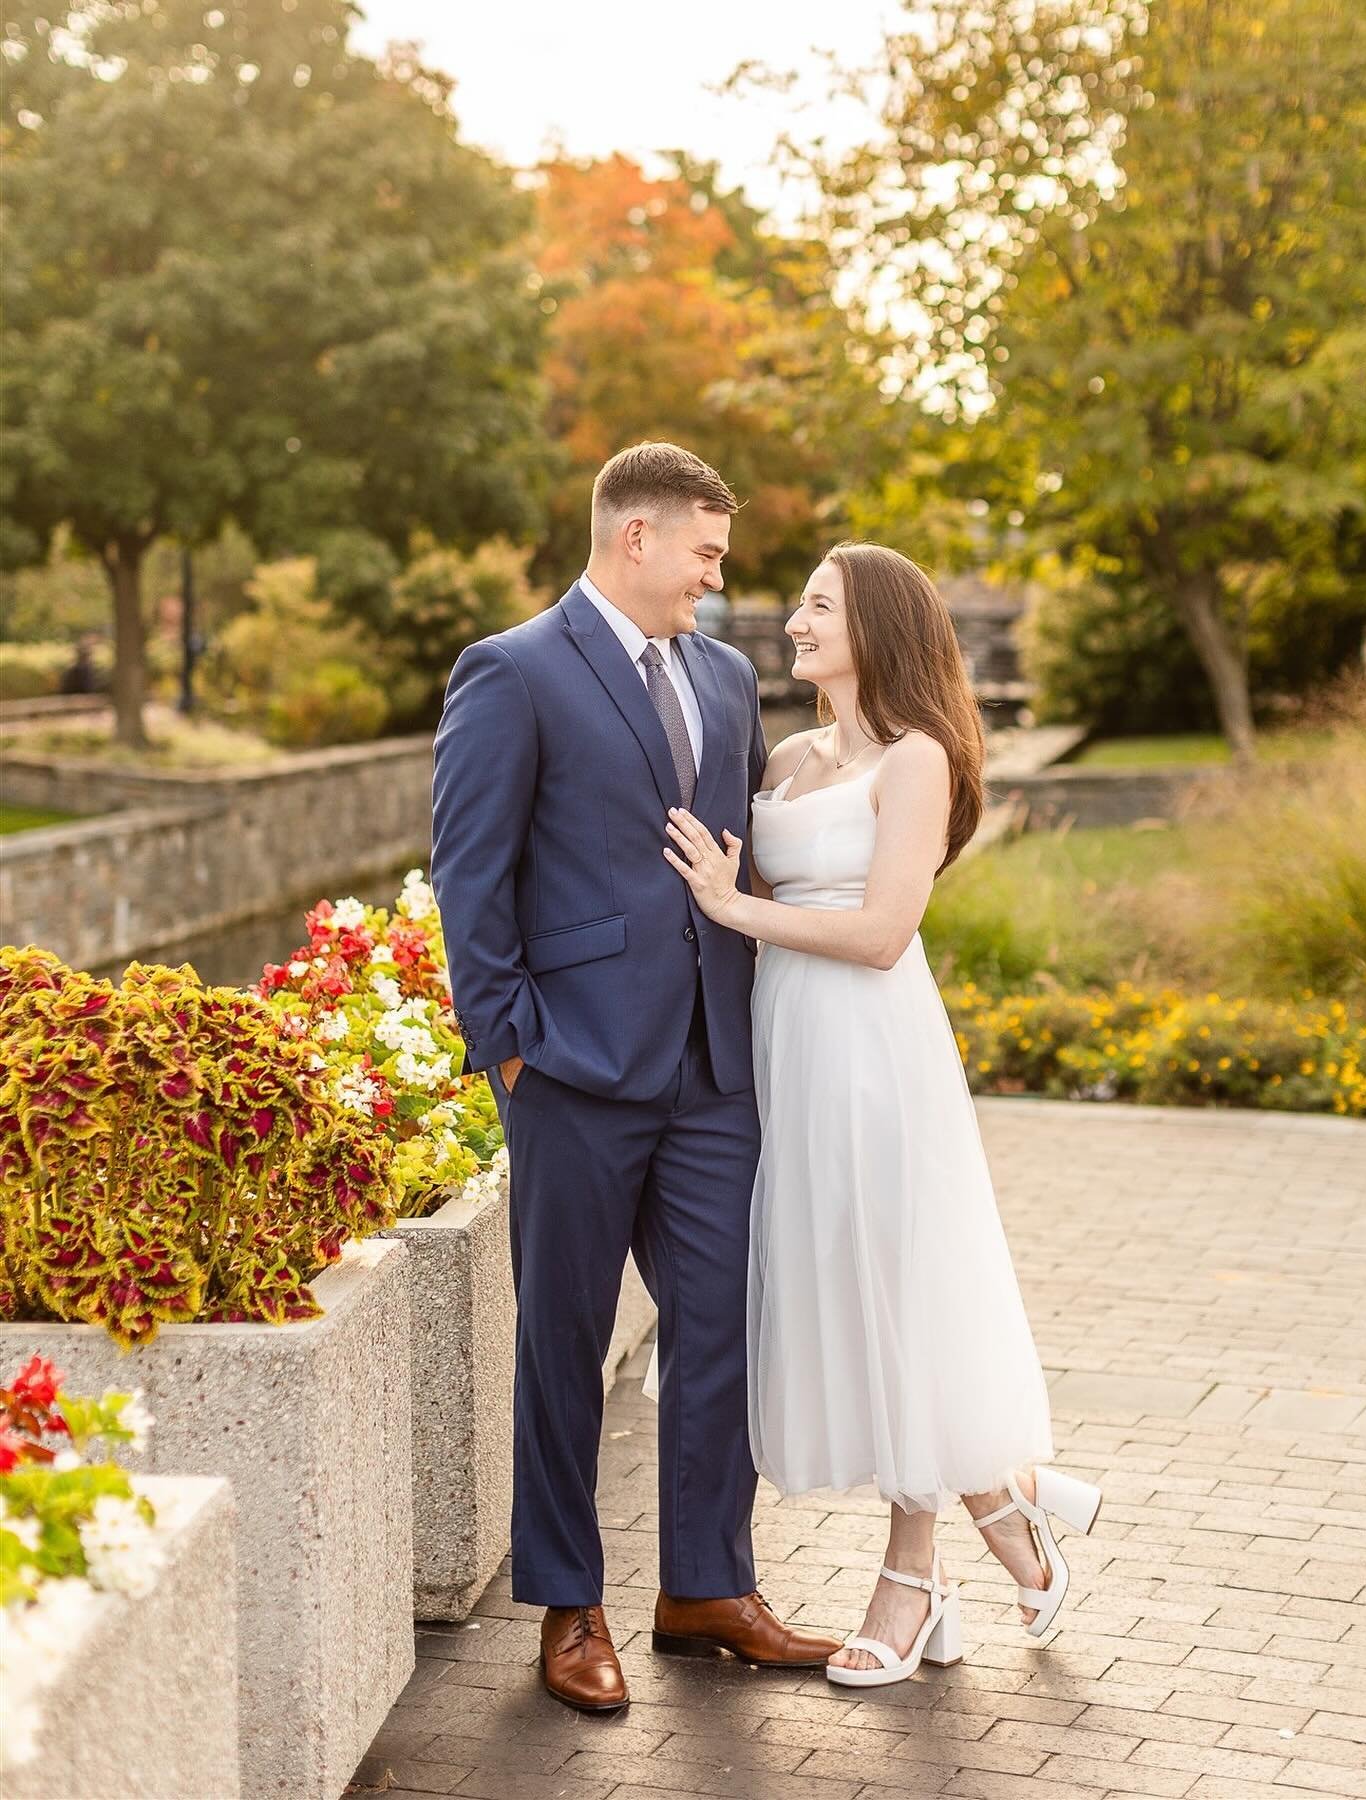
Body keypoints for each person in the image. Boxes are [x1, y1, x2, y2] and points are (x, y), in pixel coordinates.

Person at [430, 442, 843, 1714]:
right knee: (563, 1342)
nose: (717, 583)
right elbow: (469, 872)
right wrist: (509, 1051)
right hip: (572, 1067)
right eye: (706, 555)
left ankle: (707, 1587)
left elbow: (737, 857)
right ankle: (570, 1607)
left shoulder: (724, 679)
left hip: (714, 1068)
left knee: (723, 1325)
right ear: (637, 539)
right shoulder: (512, 672)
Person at [662, 541, 1103, 1690]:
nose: (795, 621)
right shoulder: (793, 753)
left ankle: (917, 1576)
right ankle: (1009, 1507)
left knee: (898, 1289)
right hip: (780, 1047)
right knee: (838, 1294)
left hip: (869, 1047)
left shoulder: (919, 759)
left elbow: (880, 933)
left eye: (818, 605)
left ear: (879, 628)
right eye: (802, 603)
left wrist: (733, 905)